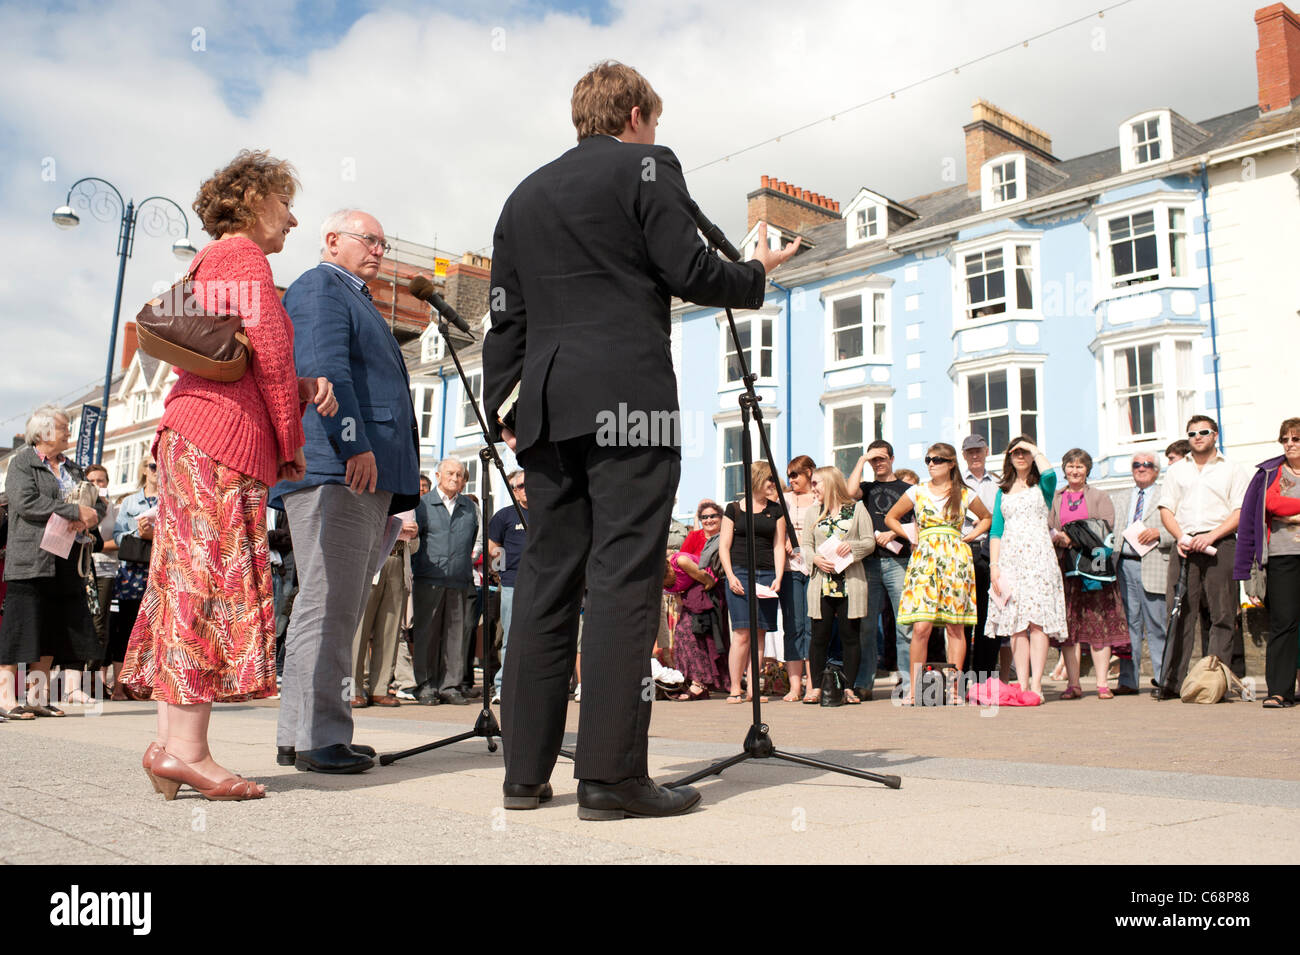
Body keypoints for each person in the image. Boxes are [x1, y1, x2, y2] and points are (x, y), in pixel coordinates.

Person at [482, 60, 798, 819]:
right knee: (624, 579)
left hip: (548, 411)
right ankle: (611, 778)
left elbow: (505, 317)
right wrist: (755, 273)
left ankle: (524, 775)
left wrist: (508, 407)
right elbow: (690, 268)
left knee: (549, 584)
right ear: (632, 113)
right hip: (631, 401)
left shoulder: (522, 194)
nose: (655, 134)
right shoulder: (647, 165)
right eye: (653, 121)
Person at [120, 150, 337, 801]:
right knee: (207, 587)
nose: (293, 218)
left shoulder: (206, 260)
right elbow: (265, 353)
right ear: (254, 201)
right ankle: (188, 751)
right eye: (284, 202)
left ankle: (167, 744)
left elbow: (230, 358)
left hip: (190, 432)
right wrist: (293, 446)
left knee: (183, 582)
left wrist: (297, 390)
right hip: (222, 444)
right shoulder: (245, 257)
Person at [270, 208, 420, 774]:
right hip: (341, 466)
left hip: (363, 471)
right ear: (332, 240)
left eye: (384, 242)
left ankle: (304, 731)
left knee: (335, 603)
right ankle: (317, 736)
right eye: (369, 240)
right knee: (329, 601)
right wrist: (354, 443)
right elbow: (324, 369)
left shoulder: (360, 297)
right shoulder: (319, 286)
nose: (379, 250)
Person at [0, 407, 104, 721]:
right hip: (31, 558)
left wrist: (93, 511)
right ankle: (4, 697)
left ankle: (36, 696)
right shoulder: (23, 462)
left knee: (53, 628)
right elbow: (26, 502)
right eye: (63, 427)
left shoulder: (72, 468)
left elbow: (93, 499)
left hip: (65, 558)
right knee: (21, 627)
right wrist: (74, 512)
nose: (68, 432)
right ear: (44, 432)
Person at [885, 442, 990, 703]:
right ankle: (914, 688)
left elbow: (987, 517)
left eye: (938, 459)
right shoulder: (917, 491)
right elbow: (891, 517)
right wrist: (911, 534)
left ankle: (954, 689)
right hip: (925, 559)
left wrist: (970, 537)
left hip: (955, 559)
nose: (932, 463)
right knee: (921, 626)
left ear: (951, 463)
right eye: (928, 459)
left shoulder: (964, 493)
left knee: (955, 627)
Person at [1156, 416, 1249, 700]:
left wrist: (1211, 537)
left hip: (1219, 542)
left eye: (1204, 432)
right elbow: (1166, 509)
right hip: (1184, 543)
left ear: (1215, 435)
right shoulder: (1176, 471)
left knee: (1222, 613)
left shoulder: (1232, 469)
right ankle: (1171, 682)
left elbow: (1239, 512)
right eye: (1192, 433)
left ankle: (1214, 683)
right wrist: (1181, 537)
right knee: (1180, 611)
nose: (1198, 437)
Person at [985, 437, 1065, 702]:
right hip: (1010, 560)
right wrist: (995, 568)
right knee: (1016, 625)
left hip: (1039, 558)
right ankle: (1021, 683)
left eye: (1024, 452)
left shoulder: (1042, 485)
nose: (1020, 455)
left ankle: (1037, 684)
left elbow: (1051, 473)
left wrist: (1034, 449)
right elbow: (996, 531)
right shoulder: (1003, 490)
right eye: (1015, 452)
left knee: (1037, 622)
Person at [1048, 448, 1129, 700]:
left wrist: (1072, 536)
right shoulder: (1056, 497)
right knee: (1069, 628)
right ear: (1064, 469)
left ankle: (1102, 684)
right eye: (1070, 466)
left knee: (1099, 625)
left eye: (1080, 467)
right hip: (1065, 567)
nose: (1074, 471)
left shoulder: (1100, 496)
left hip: (1094, 570)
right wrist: (1057, 537)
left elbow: (1105, 527)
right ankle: (1073, 684)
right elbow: (1048, 525)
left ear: (1087, 470)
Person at [1236, 417, 1300, 707]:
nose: (1289, 444)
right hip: (1282, 556)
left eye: (1296, 439)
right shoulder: (1271, 473)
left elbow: (1280, 508)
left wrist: (1291, 515)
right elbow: (1270, 505)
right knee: (1283, 623)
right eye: (1285, 439)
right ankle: (1279, 691)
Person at [800, 467, 875, 704]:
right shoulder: (813, 512)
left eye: (816, 483)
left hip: (849, 582)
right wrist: (815, 559)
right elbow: (806, 546)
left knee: (850, 636)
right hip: (822, 582)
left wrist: (853, 546)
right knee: (819, 636)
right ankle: (816, 688)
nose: (813, 488)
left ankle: (848, 688)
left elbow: (869, 541)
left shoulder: (857, 509)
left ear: (830, 483)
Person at [849, 440, 916, 696]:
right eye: (874, 460)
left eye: (882, 459)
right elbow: (849, 491)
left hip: (899, 561)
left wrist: (893, 533)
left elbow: (918, 522)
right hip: (870, 562)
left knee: (904, 624)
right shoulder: (866, 488)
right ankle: (865, 683)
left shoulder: (908, 489)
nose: (878, 464)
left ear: (892, 459)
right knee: (866, 626)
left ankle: (908, 683)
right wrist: (861, 460)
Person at [411, 458, 478, 706]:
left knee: (455, 634)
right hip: (429, 577)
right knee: (427, 634)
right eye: (450, 473)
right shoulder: (423, 505)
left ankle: (450, 685)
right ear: (438, 475)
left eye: (460, 475)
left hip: (459, 578)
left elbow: (470, 541)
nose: (455, 478)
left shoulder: (469, 507)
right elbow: (416, 542)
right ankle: (426, 685)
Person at [719, 461, 787, 705]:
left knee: (759, 633)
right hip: (739, 572)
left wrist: (778, 576)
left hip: (767, 574)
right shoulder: (733, 509)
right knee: (741, 633)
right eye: (768, 479)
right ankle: (735, 687)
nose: (772, 484)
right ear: (757, 480)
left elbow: (779, 545)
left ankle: (753, 689)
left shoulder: (776, 510)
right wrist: (730, 575)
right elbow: (723, 546)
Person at [1110, 451, 1174, 696]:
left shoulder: (1166, 496)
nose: (1141, 468)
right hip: (1124, 565)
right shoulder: (1120, 498)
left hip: (1154, 563)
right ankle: (1128, 680)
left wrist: (1159, 533)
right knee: (1128, 626)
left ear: (1156, 470)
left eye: (1147, 464)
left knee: (1157, 625)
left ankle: (1162, 679)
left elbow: (1180, 531)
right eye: (1137, 464)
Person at [350, 510, 418, 708]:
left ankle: (380, 688)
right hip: (371, 558)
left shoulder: (408, 500)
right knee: (359, 630)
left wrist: (414, 534)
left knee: (390, 629)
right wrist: (397, 528)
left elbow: (413, 545)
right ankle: (352, 689)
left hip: (398, 559)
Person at [664, 502, 726, 701]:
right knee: (686, 634)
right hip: (693, 593)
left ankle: (704, 682)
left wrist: (699, 594)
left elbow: (704, 577)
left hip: (710, 587)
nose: (708, 520)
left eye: (713, 516)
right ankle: (697, 681)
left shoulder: (726, 536)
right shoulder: (693, 537)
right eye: (704, 517)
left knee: (707, 635)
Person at [109, 456, 158, 701]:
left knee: (156, 632)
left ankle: (149, 685)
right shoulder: (130, 501)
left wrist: (156, 533)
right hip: (131, 574)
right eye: (153, 466)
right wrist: (136, 533)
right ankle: (119, 686)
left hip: (160, 572)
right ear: (144, 470)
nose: (157, 470)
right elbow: (117, 536)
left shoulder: (173, 500)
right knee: (126, 630)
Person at [961, 434, 1001, 680]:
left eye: (978, 451)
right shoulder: (956, 483)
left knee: (989, 617)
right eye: (970, 452)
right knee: (963, 615)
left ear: (986, 451)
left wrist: (986, 522)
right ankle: (963, 676)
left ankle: (985, 677)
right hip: (964, 548)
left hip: (990, 550)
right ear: (964, 455)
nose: (975, 455)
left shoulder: (998, 483)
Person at [488, 469, 528, 705]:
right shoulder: (504, 516)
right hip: (513, 584)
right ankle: (504, 686)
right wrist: (501, 572)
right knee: (510, 636)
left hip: (540, 584)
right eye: (521, 485)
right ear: (514, 490)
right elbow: (494, 547)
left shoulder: (546, 514)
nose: (526, 489)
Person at [778, 455, 816, 701]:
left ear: (809, 473)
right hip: (790, 568)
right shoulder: (784, 499)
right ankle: (794, 686)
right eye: (789, 475)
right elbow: (775, 529)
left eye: (796, 475)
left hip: (813, 567)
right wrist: (785, 543)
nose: (792, 480)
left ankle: (812, 684)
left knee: (812, 626)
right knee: (792, 626)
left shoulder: (819, 496)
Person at [83, 464, 117, 693]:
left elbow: (121, 539)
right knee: (81, 620)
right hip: (83, 567)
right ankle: (75, 677)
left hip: (106, 569)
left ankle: (92, 676)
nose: (97, 485)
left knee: (99, 623)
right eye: (92, 481)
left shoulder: (113, 507)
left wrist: (98, 544)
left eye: (101, 480)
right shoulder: (81, 506)